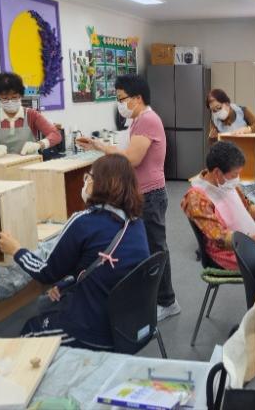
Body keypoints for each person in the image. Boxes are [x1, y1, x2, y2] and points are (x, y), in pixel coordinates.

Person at [0, 154, 150, 349]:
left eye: (89, 177)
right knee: (51, 306)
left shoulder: (83, 222)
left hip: (94, 331)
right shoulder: (136, 223)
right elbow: (106, 270)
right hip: (130, 327)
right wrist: (67, 282)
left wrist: (16, 250)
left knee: (30, 329)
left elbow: (46, 273)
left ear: (100, 183)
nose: (86, 182)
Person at [76, 74, 179, 321]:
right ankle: (152, 297)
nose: (119, 104)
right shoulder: (138, 120)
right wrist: (98, 145)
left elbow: (132, 159)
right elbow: (127, 152)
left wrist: (101, 147)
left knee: (155, 249)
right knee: (144, 248)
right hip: (142, 193)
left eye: (122, 99)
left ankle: (167, 301)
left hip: (151, 195)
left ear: (137, 98)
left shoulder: (147, 120)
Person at [182, 141, 255, 272]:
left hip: (248, 239)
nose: (237, 179)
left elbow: (247, 206)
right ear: (217, 172)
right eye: (234, 175)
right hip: (225, 251)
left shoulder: (225, 183)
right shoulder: (196, 198)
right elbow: (220, 238)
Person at [0, 72, 62, 157]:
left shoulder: (31, 115)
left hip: (30, 164)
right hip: (4, 165)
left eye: (14, 97)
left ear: (20, 95)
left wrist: (39, 145)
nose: (10, 101)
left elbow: (56, 135)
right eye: (5, 98)